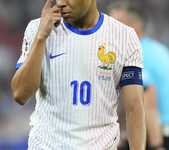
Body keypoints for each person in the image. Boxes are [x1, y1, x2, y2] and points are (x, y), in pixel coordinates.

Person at [11, 0, 146, 149]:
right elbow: (20, 95)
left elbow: (134, 108)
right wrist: (41, 37)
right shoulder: (37, 28)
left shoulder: (125, 37)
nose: (61, 3)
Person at [108, 1, 169, 150]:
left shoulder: (139, 53)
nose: (112, 30)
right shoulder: (157, 48)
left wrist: (158, 146)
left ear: (136, 25)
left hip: (160, 134)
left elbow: (148, 102)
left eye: (118, 23)